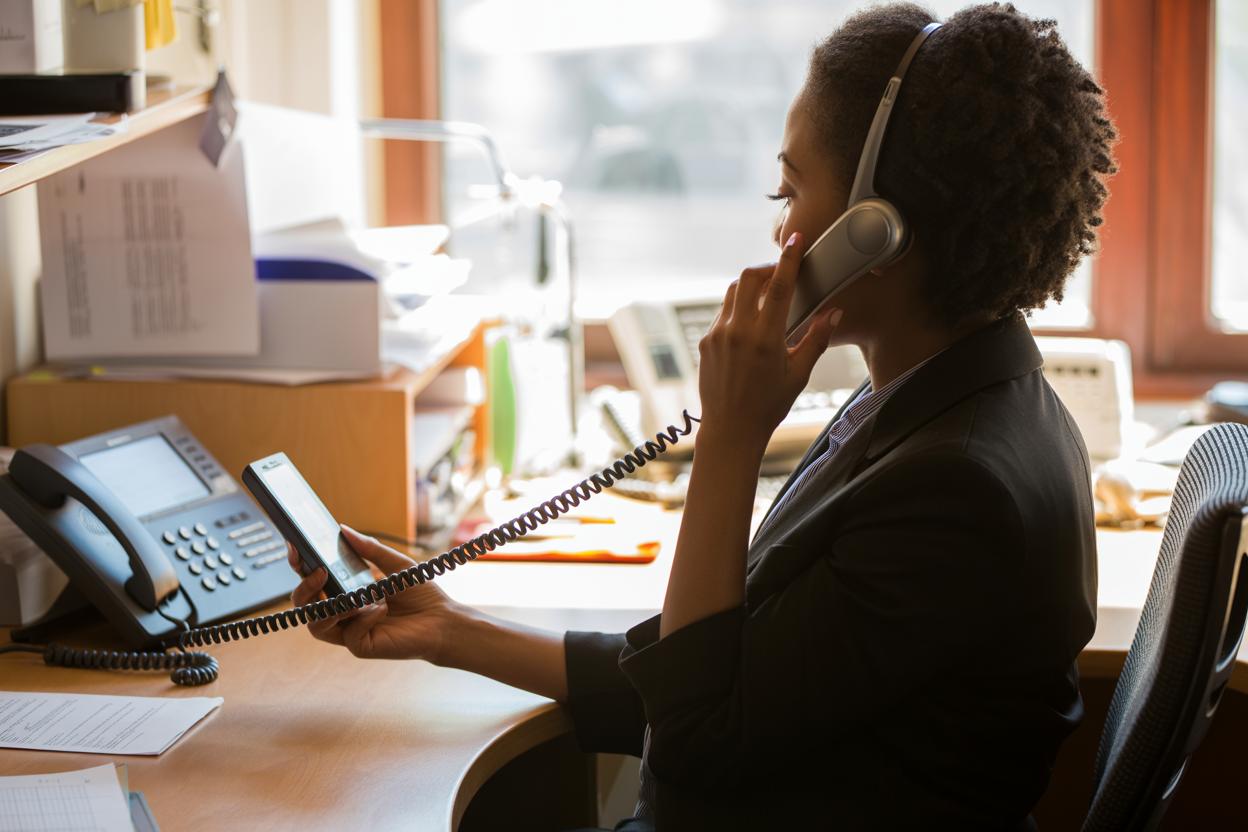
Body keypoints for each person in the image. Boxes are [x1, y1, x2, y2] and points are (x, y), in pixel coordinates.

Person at [288, 3, 1114, 828]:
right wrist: (449, 630)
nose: (780, 223)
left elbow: (693, 741)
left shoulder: (955, 486)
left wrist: (729, 436)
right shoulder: (931, 399)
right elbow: (719, 674)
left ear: (875, 230)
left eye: (788, 189)